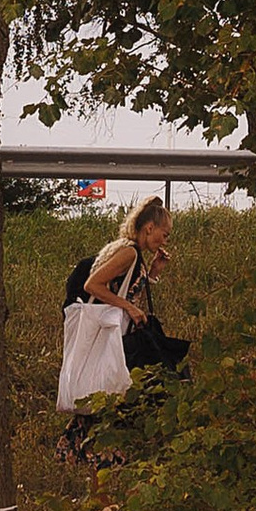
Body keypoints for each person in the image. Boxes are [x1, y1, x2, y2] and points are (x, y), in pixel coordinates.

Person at [57, 198, 190, 465]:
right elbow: (93, 285)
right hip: (111, 340)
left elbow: (123, 287)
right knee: (109, 408)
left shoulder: (131, 253)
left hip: (115, 339)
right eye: (164, 235)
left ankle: (98, 495)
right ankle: (103, 497)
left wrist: (152, 273)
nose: (164, 241)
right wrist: (129, 307)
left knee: (101, 409)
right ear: (149, 227)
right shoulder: (129, 252)